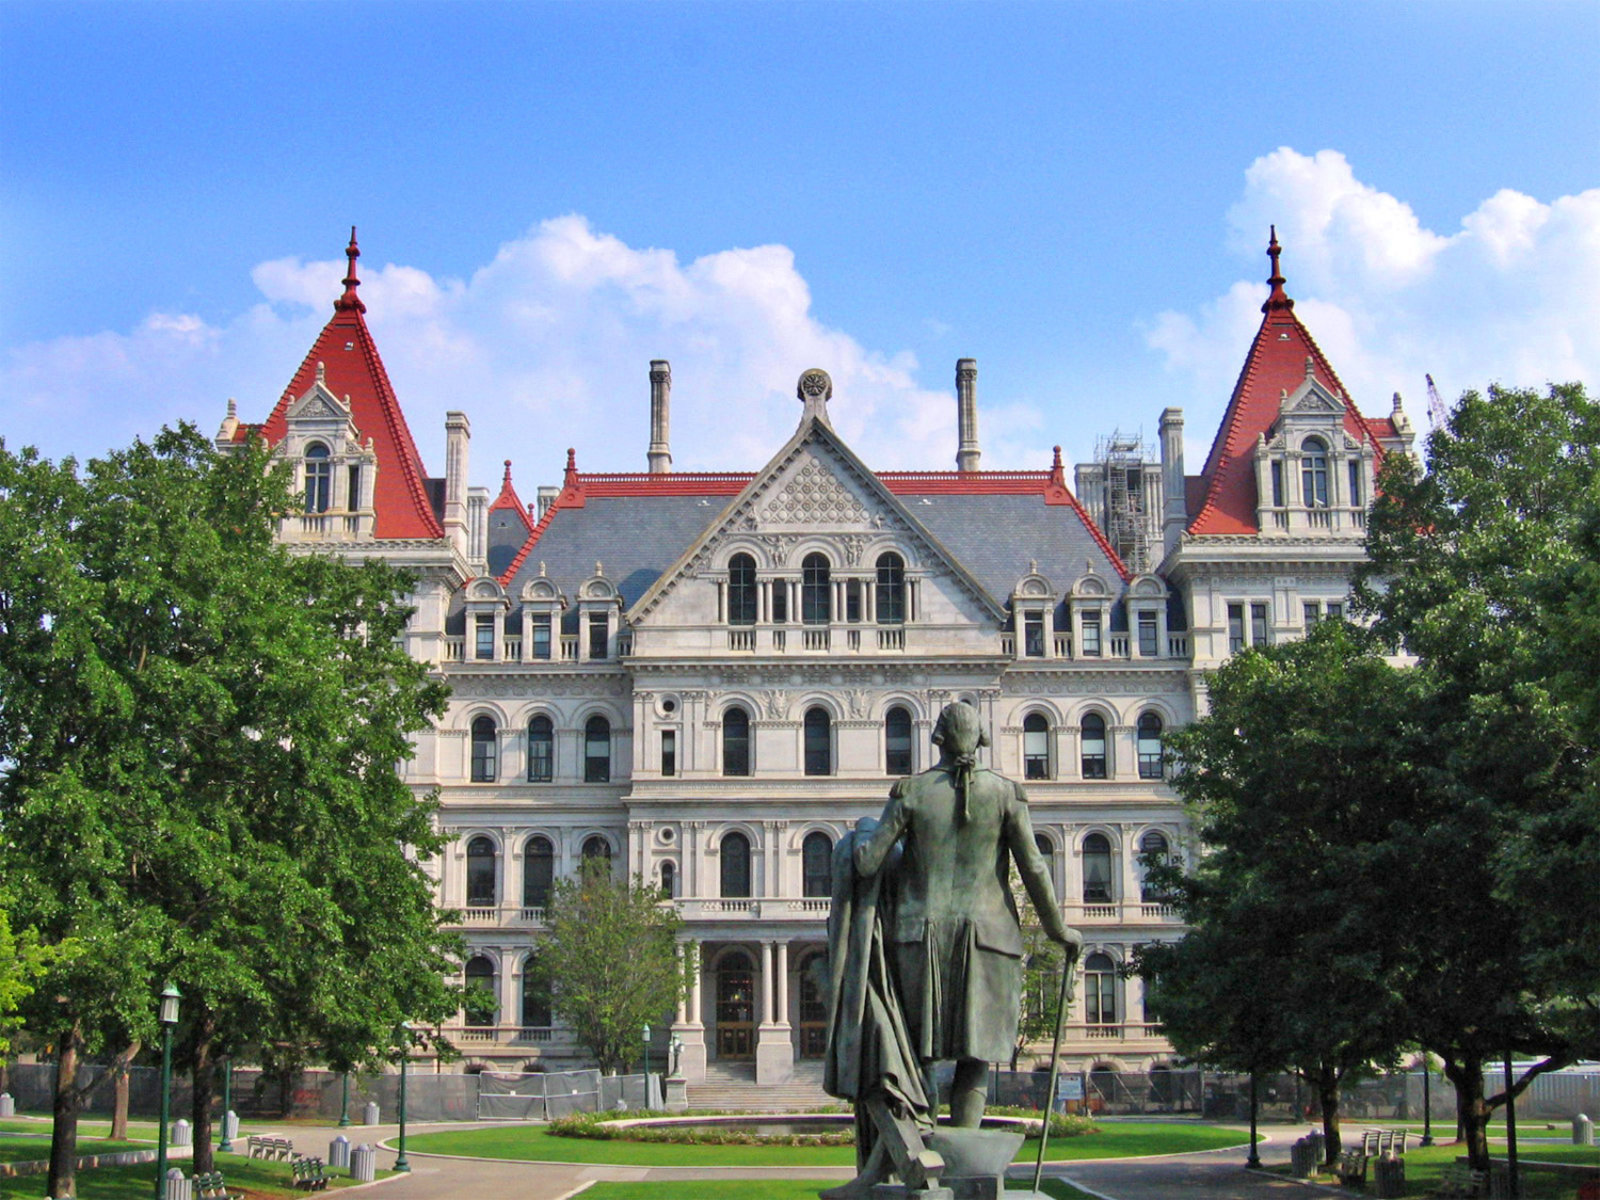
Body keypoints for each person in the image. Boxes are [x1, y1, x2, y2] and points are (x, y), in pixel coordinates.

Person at [853, 701, 1082, 1128]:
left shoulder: (912, 791)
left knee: (918, 1051)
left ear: (937, 736)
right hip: (990, 938)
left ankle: (922, 1147)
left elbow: (867, 864)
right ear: (980, 738)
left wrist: (861, 835)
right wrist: (1058, 928)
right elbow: (1033, 866)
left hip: (918, 936)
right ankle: (965, 1162)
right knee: (976, 1055)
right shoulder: (1005, 793)